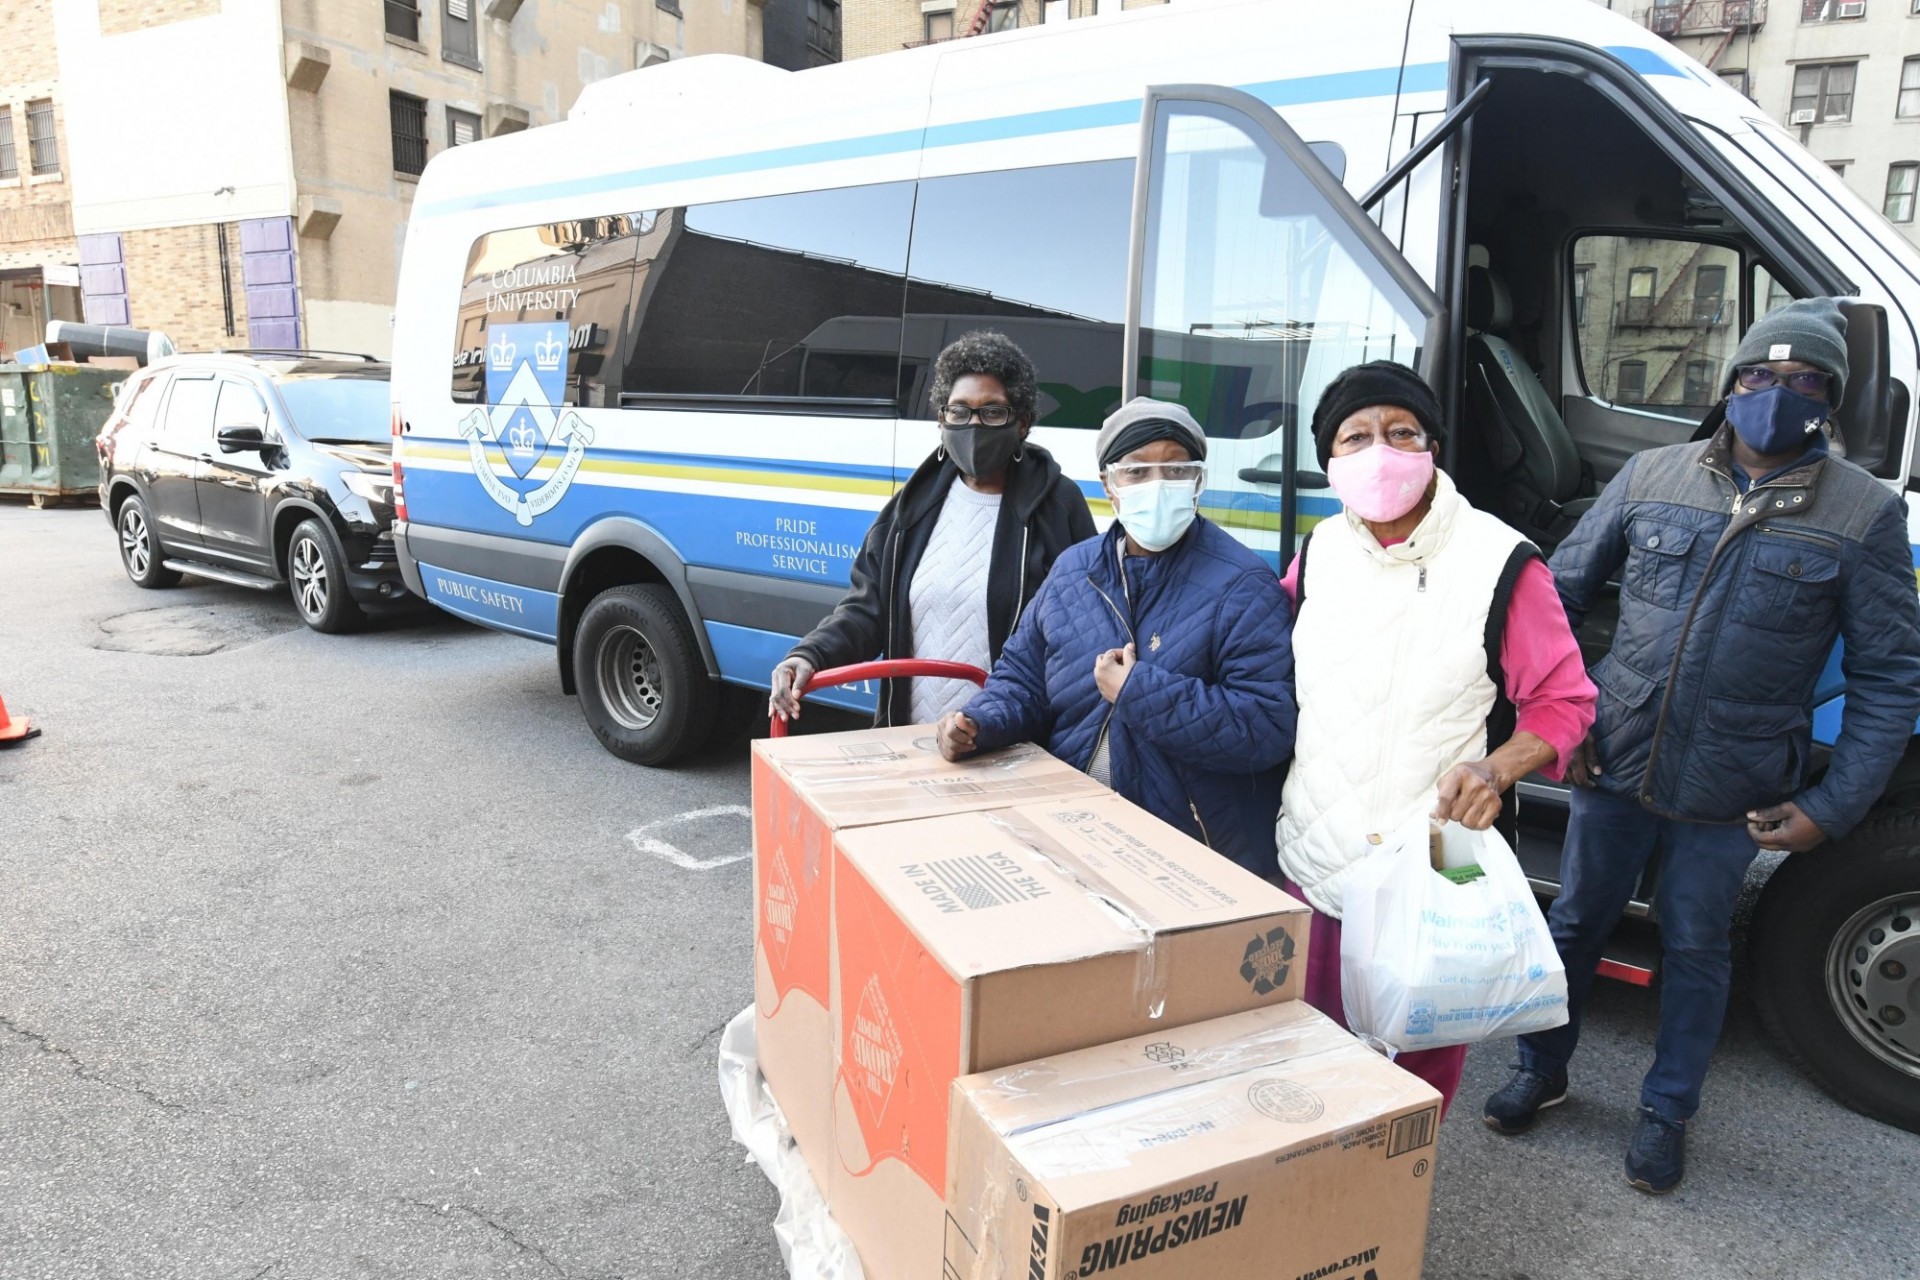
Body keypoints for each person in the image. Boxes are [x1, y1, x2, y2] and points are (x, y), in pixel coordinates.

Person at [1485, 298, 1920, 1194]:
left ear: (1829, 400)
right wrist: (1564, 721)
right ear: (1732, 384)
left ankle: (1666, 1110)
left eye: (1804, 382)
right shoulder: (1653, 474)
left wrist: (1832, 810)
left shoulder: (1863, 515)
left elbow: (1888, 680)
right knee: (1572, 926)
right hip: (1614, 760)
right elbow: (1553, 599)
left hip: (1736, 786)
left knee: (1695, 949)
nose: (1776, 393)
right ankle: (1542, 1068)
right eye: (1760, 375)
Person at [1274, 361, 1596, 1116]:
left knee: (1408, 1088)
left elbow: (1566, 700)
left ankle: (1386, 1213)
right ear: (1330, 462)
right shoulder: (1318, 553)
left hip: (1438, 852)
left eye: (1400, 432)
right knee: (1308, 1062)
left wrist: (1497, 768)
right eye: (1354, 437)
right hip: (1317, 849)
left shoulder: (1501, 563)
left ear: (1433, 449)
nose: (1378, 450)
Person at [934, 398, 1296, 874]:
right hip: (1073, 831)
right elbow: (1023, 677)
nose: (1158, 486)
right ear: (1109, 485)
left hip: (1193, 853)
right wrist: (980, 722)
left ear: (1198, 482)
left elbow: (1266, 727)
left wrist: (1138, 692)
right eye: (1137, 472)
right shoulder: (1073, 571)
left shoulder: (1242, 583)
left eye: (1175, 470)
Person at [769, 331, 1095, 727]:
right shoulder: (913, 506)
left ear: (1022, 422)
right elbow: (868, 610)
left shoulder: (1058, 507)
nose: (974, 425)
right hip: (910, 740)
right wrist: (809, 655)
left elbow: (1081, 636)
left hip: (1015, 743)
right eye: (959, 411)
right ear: (941, 420)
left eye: (992, 412)